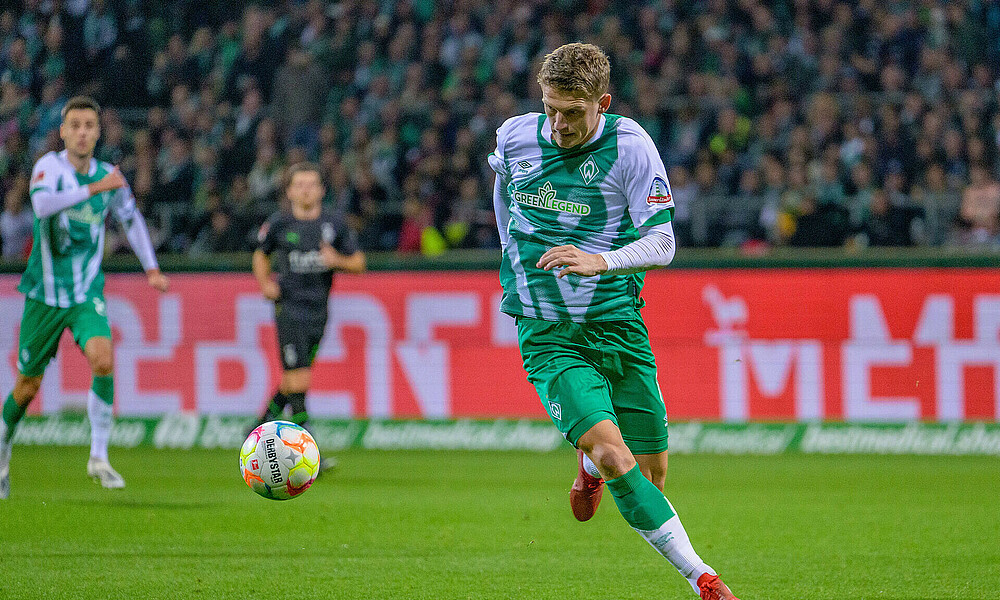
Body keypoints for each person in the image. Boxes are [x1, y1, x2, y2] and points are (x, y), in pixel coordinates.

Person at [488, 44, 739, 600]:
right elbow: (503, 198)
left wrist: (599, 259)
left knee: (652, 475)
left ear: (601, 102)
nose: (559, 124)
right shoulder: (514, 137)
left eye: (573, 112)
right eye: (551, 108)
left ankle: (589, 470)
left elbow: (664, 241)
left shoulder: (631, 147)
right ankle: (705, 579)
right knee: (616, 453)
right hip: (547, 329)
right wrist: (512, 255)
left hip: (617, 324)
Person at [0, 96, 169, 499]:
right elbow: (41, 206)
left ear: (98, 131)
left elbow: (131, 219)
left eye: (89, 125)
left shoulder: (109, 175)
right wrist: (95, 187)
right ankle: (3, 450)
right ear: (62, 131)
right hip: (44, 294)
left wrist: (152, 268)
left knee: (103, 359)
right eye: (74, 125)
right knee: (26, 387)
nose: (82, 132)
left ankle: (98, 455)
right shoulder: (49, 168)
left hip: (84, 292)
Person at [250, 162, 365, 458]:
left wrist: (336, 259)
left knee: (293, 379)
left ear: (321, 190)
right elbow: (260, 255)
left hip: (319, 310)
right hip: (288, 308)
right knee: (299, 379)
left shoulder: (334, 224)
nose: (305, 190)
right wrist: (265, 284)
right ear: (289, 191)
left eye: (311, 184)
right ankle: (308, 450)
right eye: (299, 184)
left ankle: (258, 428)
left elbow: (358, 263)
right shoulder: (279, 224)